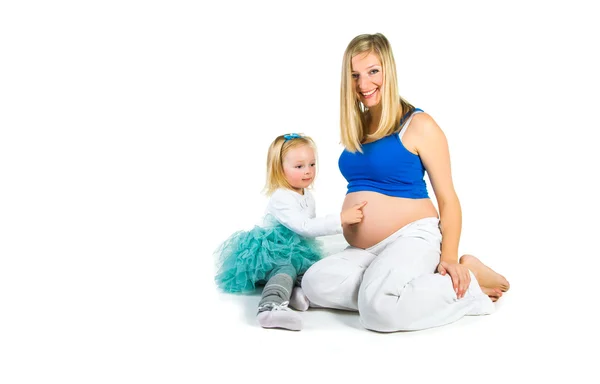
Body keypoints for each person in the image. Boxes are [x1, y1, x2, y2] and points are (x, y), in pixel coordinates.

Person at [301, 33, 510, 332]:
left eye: (373, 72)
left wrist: (449, 257)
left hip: (412, 238)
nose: (363, 85)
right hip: (366, 250)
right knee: (314, 283)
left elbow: (448, 198)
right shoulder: (358, 126)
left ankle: (466, 285)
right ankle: (402, 288)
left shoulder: (419, 126)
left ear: (389, 70)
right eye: (355, 76)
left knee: (378, 310)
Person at [214, 133, 367, 331]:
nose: (308, 171)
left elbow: (309, 226)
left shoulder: (307, 195)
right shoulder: (281, 198)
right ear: (279, 169)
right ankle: (270, 308)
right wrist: (340, 219)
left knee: (309, 270)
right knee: (284, 268)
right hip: (273, 250)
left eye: (312, 164)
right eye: (299, 166)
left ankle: (295, 293)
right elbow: (304, 226)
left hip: (297, 247)